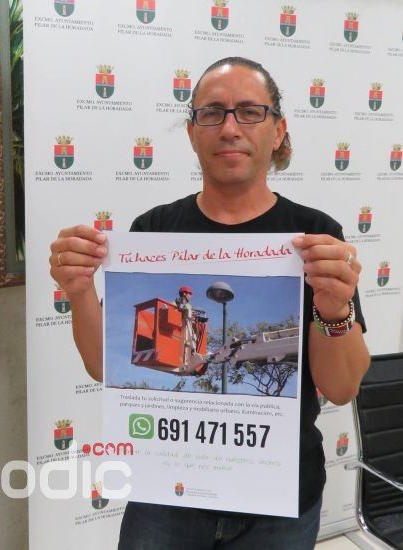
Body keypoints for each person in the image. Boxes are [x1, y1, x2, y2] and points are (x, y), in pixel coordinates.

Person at [49, 57, 369, 549]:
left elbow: (342, 387)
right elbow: (103, 365)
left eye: (250, 112)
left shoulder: (316, 237)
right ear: (192, 133)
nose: (230, 128)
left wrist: (334, 310)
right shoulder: (153, 231)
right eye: (212, 113)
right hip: (164, 499)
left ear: (278, 130)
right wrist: (78, 290)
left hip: (279, 503)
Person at [175, 285, 197, 364]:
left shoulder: (189, 306)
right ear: (184, 293)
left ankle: (192, 353)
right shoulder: (176, 302)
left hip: (187, 325)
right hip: (180, 327)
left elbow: (190, 314)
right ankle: (192, 352)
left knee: (193, 336)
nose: (191, 296)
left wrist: (193, 315)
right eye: (189, 294)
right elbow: (175, 311)